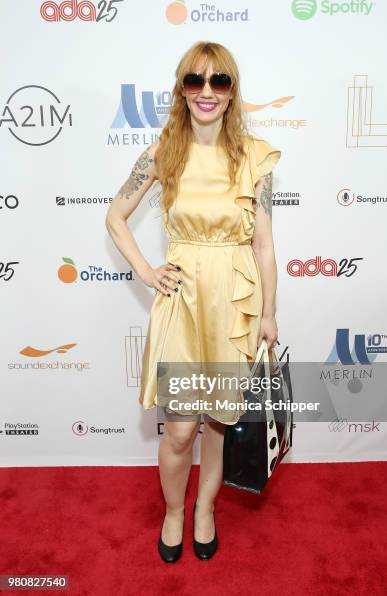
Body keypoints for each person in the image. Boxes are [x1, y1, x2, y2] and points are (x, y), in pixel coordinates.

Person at [105, 41, 281, 563]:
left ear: (231, 92)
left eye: (219, 82)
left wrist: (269, 311)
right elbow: (115, 216)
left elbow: (265, 244)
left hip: (233, 300)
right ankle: (175, 511)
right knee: (181, 429)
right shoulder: (163, 152)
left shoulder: (255, 157)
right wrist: (145, 270)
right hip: (183, 302)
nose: (207, 92)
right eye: (195, 81)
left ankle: (205, 508)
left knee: (221, 421)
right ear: (182, 89)